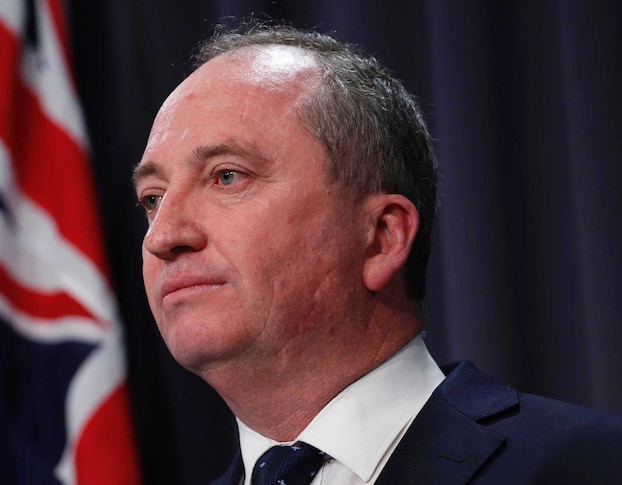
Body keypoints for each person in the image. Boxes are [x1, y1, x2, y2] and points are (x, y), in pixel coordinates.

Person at [131, 22, 622, 484]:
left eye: (227, 176)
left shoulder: (592, 465)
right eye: (153, 199)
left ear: (382, 236)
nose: (162, 236)